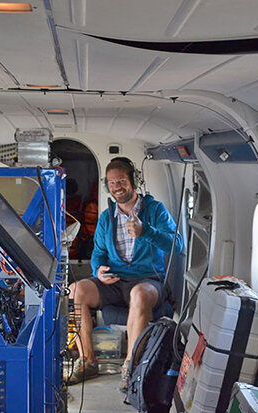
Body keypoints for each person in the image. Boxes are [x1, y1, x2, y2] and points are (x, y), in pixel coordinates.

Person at [68, 157, 183, 392]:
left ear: (134, 181)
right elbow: (98, 254)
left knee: (139, 295)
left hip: (147, 280)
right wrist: (98, 271)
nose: (116, 187)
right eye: (111, 183)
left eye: (121, 180)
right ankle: (88, 361)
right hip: (115, 281)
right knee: (75, 290)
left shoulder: (155, 210)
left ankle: (130, 368)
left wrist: (145, 231)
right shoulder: (106, 218)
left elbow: (177, 244)